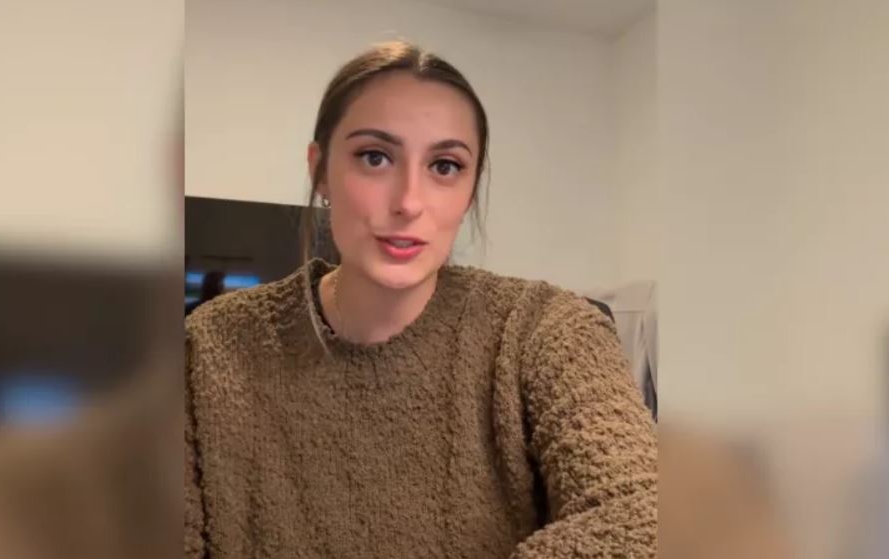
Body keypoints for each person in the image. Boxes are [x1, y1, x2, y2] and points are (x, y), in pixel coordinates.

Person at [185, 40, 657, 559]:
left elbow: (641, 514)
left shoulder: (545, 330)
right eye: (375, 157)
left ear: (470, 190)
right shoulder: (207, 348)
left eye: (445, 166)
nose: (409, 202)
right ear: (320, 171)